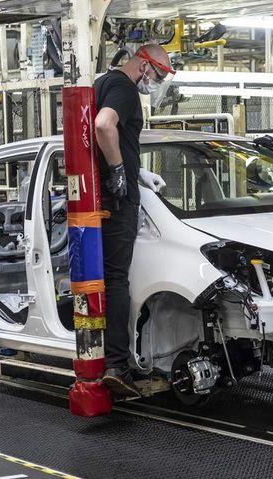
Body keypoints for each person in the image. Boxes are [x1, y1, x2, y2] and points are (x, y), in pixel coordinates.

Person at [93, 43, 173, 398]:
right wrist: (118, 172)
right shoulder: (125, 89)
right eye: (157, 74)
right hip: (117, 201)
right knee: (116, 281)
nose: (156, 83)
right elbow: (103, 125)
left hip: (102, 196)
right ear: (143, 64)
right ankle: (117, 365)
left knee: (106, 277)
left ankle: (108, 359)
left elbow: (112, 136)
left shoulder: (104, 83)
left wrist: (135, 170)